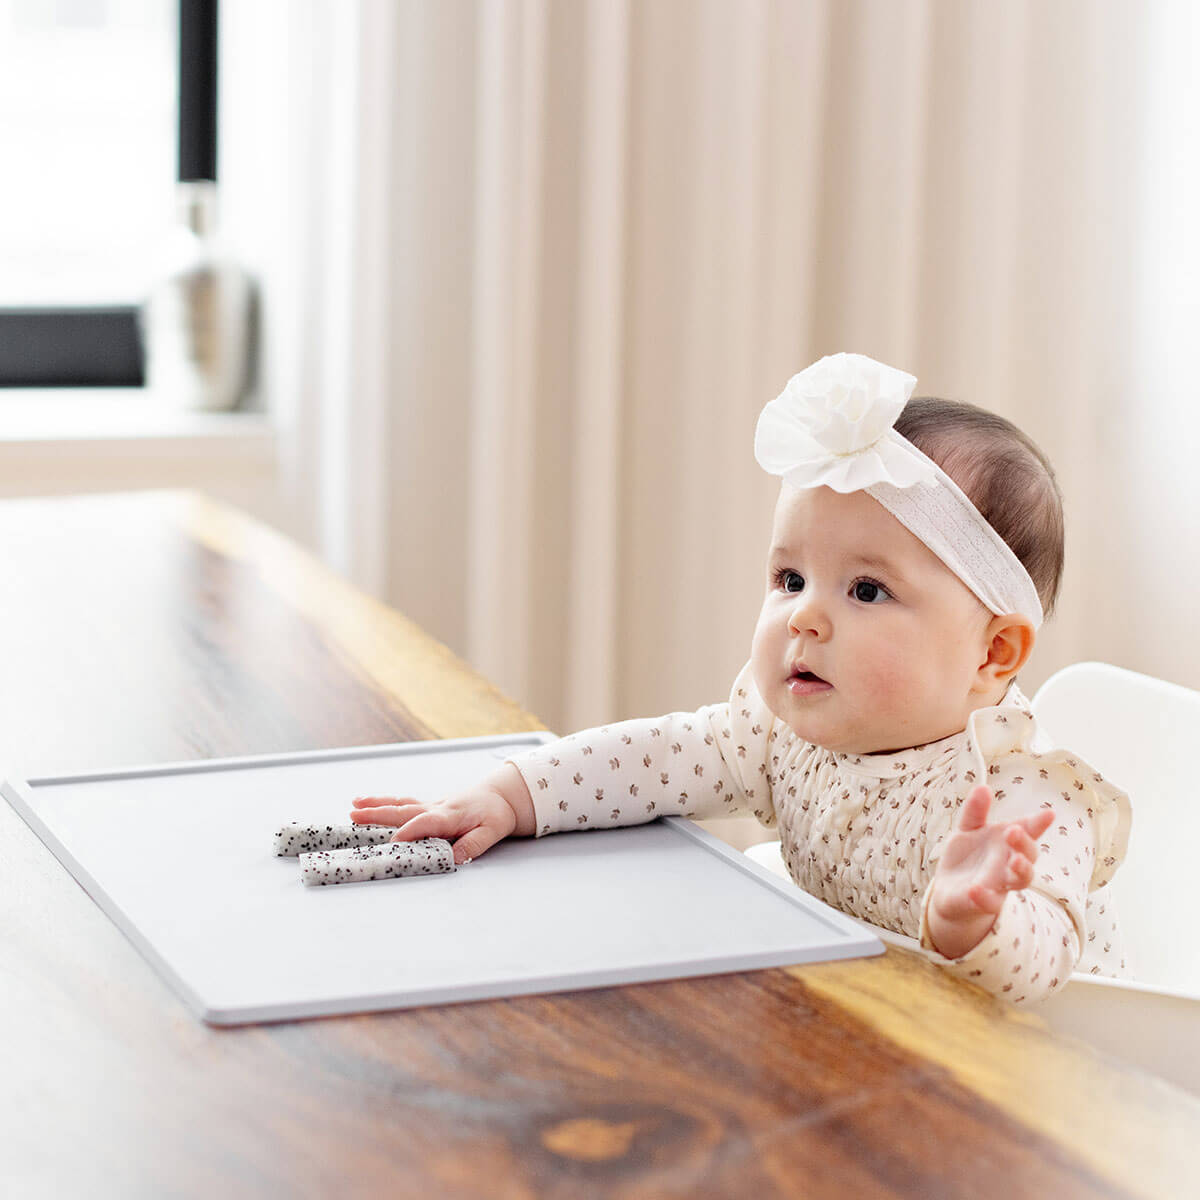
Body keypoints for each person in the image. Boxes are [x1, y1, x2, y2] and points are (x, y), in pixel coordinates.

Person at [351, 352, 1130, 1004]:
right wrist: (512, 796)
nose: (805, 618)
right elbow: (653, 760)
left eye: (865, 590)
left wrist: (976, 919)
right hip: (863, 1026)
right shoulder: (781, 728)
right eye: (790, 578)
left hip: (1026, 1083)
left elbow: (1045, 965)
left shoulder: (1024, 798)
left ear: (994, 654)